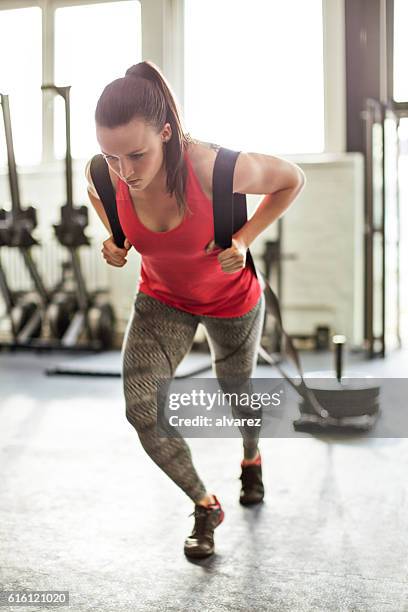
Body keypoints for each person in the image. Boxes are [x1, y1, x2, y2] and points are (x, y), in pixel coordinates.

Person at [85, 60, 305, 559]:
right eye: (112, 156)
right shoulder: (105, 170)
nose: (125, 172)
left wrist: (245, 239)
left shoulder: (216, 167)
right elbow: (99, 189)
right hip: (163, 300)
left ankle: (252, 458)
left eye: (137, 155)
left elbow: (292, 178)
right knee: (141, 408)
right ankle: (205, 505)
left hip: (232, 302)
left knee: (237, 392)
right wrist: (116, 238)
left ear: (166, 132)